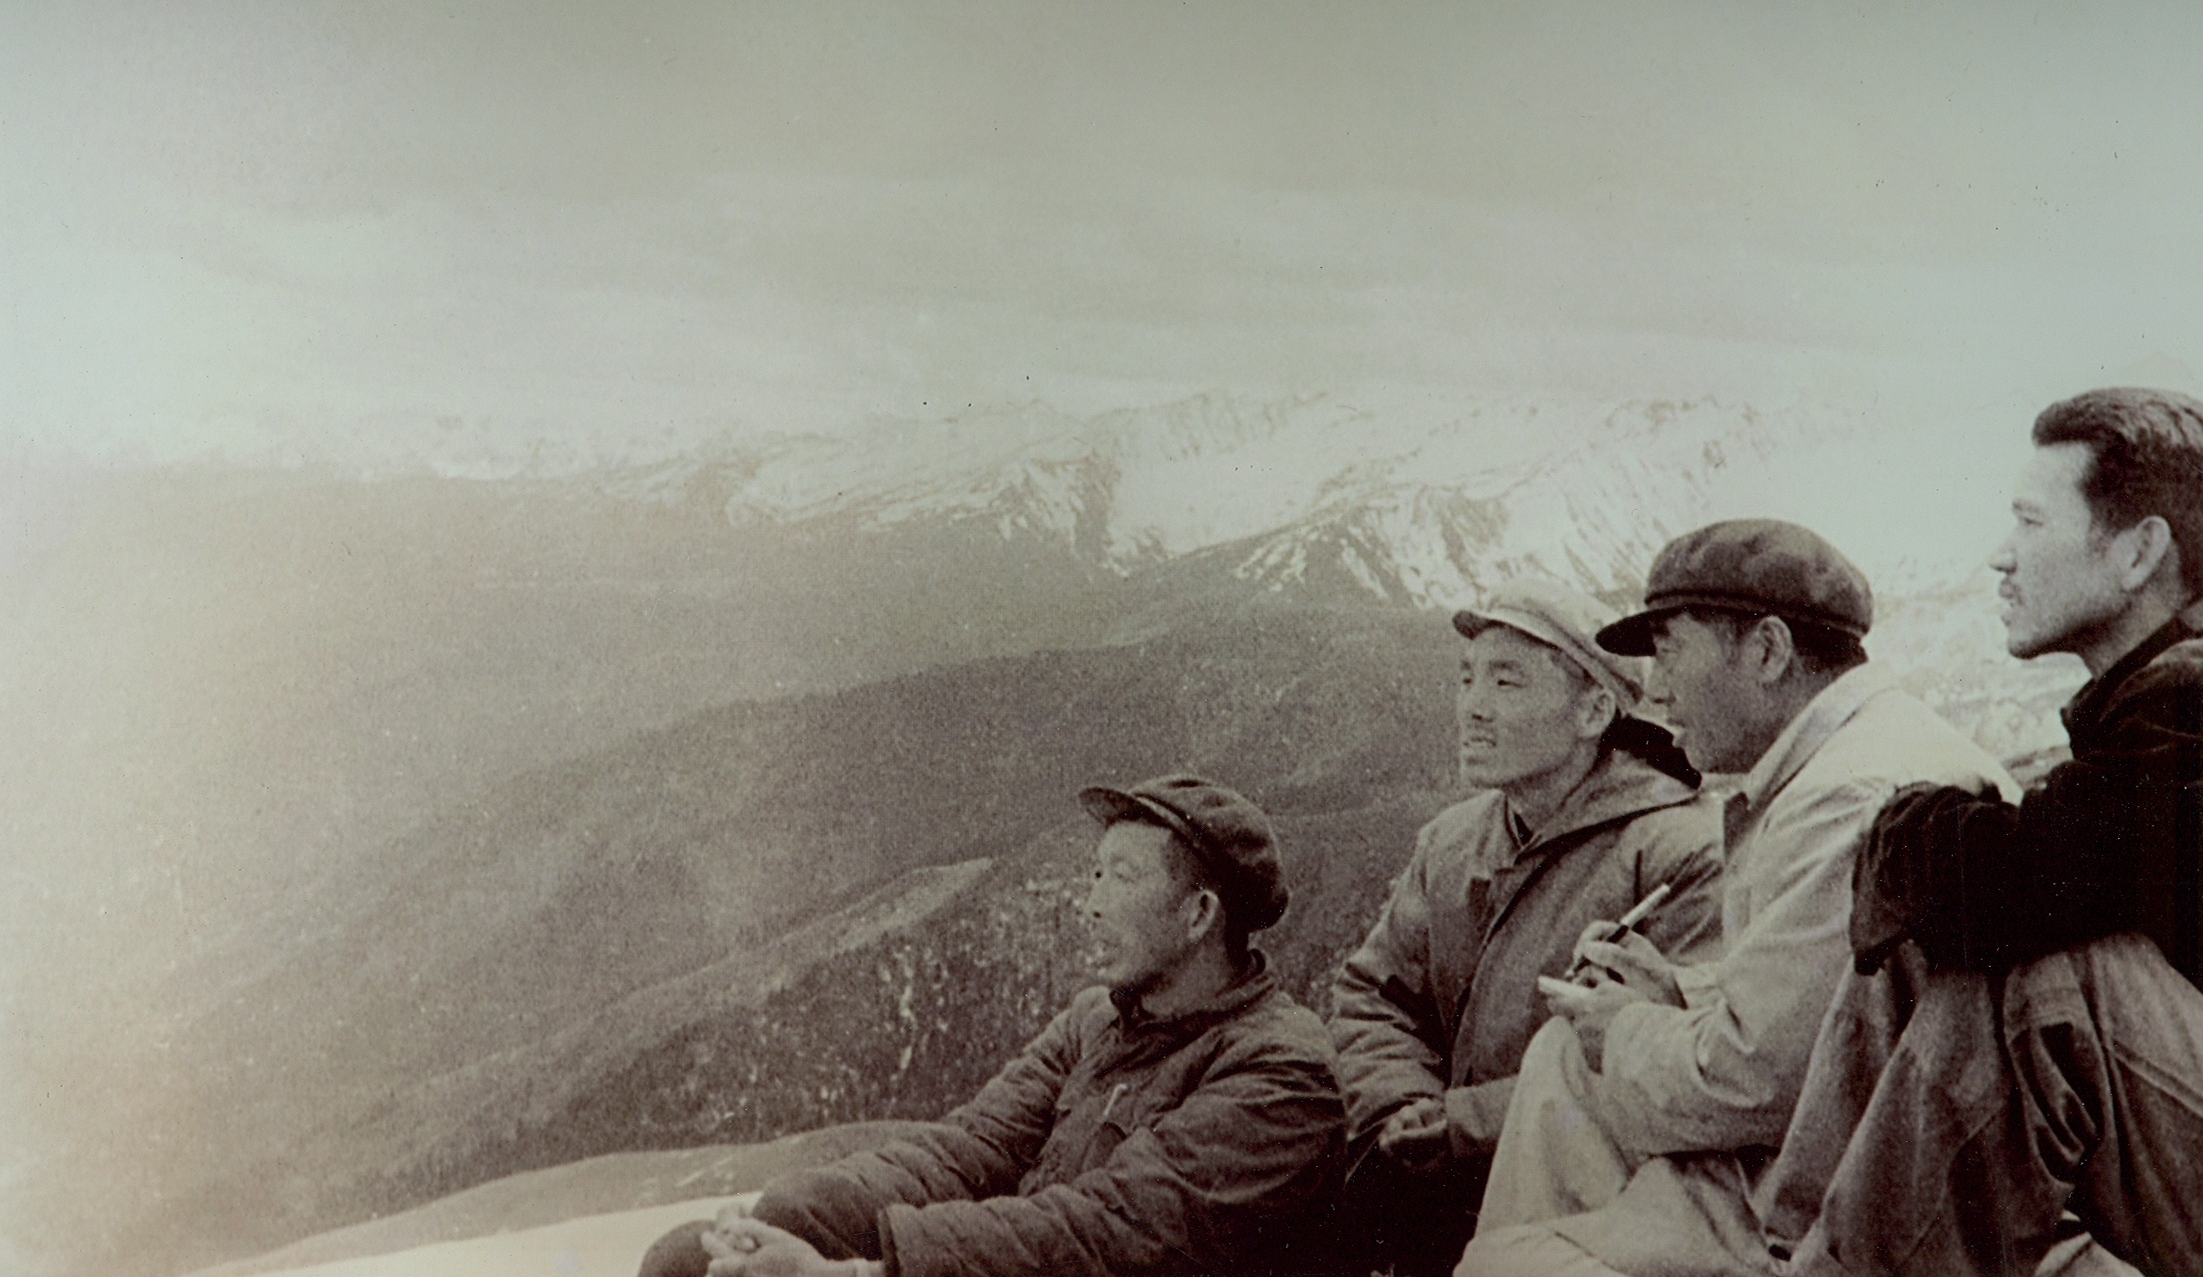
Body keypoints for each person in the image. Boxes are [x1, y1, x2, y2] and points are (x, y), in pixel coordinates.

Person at [1458, 519, 2018, 1277]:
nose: (1656, 691)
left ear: (1767, 651)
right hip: (1858, 1152)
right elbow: (1818, 1012)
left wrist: (1621, 1028)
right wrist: (1673, 993)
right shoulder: (1856, 752)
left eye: (1669, 652)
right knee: (1565, 1056)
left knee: (1503, 1259)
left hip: (1852, 1201)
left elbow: (1756, 1082)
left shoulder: (1843, 797)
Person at [1777, 388, 2203, 1276]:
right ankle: (1793, 1246)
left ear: (2138, 552)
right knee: (1935, 924)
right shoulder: (2163, 691)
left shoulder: (2190, 703)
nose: (2000, 556)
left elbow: (2015, 886)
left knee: (2038, 977)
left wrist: (1909, 820)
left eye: (2029, 521)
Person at [636, 774, 1346, 1277]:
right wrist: (783, 1216)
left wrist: (862, 1272)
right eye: (1094, 874)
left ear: (1198, 914)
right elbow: (969, 1150)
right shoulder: (1095, 1021)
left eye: (1122, 877)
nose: (1091, 904)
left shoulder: (1280, 1072)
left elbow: (1108, 1230)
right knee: (696, 1257)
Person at [1327, 578, 1725, 1276]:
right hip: (1441, 1207)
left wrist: (1464, 1123)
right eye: (1466, 678)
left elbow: (1675, 1062)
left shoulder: (1679, 854)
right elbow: (1375, 994)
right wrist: (1401, 1102)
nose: (1472, 707)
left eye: (1506, 681)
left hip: (1586, 1225)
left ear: (1592, 710)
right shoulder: (1451, 842)